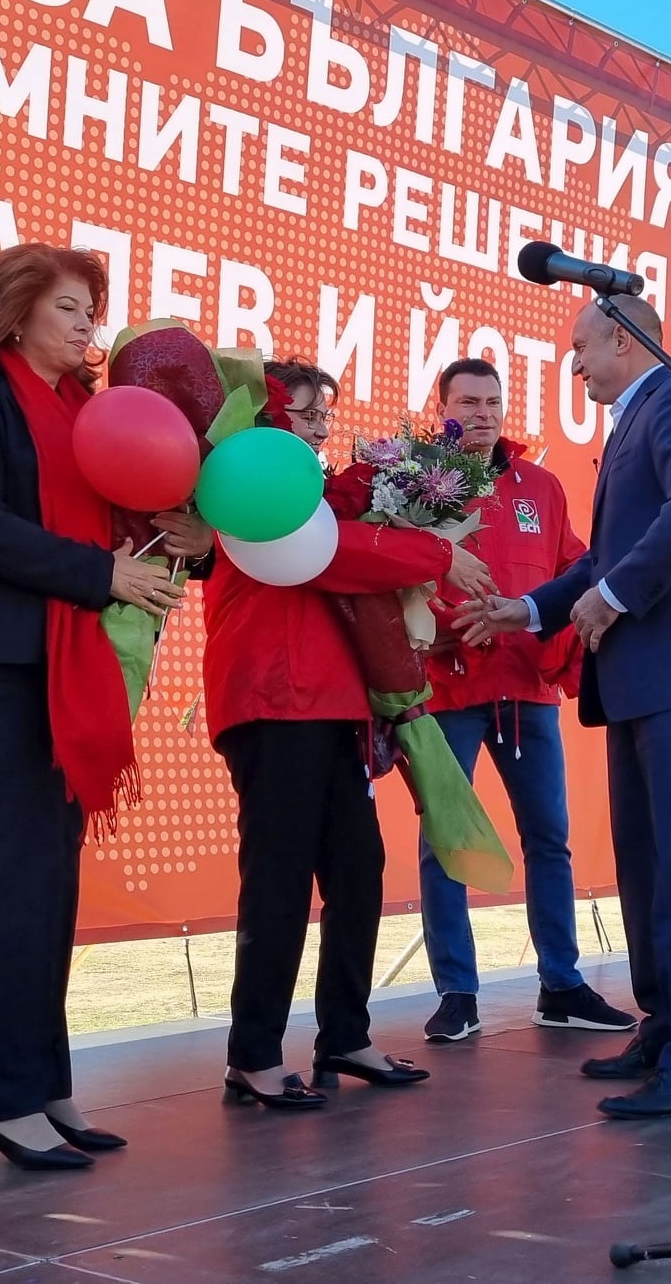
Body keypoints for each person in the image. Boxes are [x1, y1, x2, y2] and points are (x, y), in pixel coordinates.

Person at [0, 243, 198, 1169]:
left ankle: (44, 1085)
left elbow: (123, 523)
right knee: (12, 875)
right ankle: (3, 1099)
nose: (86, 326)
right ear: (17, 309)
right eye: (68, 307)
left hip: (70, 654)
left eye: (90, 311)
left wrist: (179, 535)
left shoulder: (90, 410)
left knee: (53, 876)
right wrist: (100, 574)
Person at [458, 298, 671, 1120]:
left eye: (580, 347)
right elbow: (605, 555)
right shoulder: (634, 419)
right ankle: (664, 1031)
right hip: (640, 675)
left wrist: (612, 595)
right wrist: (531, 609)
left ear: (624, 341)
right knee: (645, 863)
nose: (573, 365)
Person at [200, 357, 498, 1110]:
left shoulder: (322, 494)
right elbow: (332, 554)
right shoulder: (253, 491)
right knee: (279, 878)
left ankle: (344, 1034)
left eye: (323, 418)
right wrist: (440, 554)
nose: (320, 430)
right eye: (306, 416)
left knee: (358, 870)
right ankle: (253, 1055)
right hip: (273, 700)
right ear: (267, 421)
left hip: (333, 705)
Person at [416, 357, 635, 1044]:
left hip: (526, 690)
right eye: (467, 402)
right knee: (445, 842)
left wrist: (539, 623)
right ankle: (457, 993)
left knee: (548, 839)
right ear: (442, 409)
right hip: (449, 686)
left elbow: (576, 571)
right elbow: (396, 580)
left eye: (492, 402)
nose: (481, 414)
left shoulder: (539, 486)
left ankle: (561, 986)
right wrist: (451, 625)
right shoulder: (415, 485)